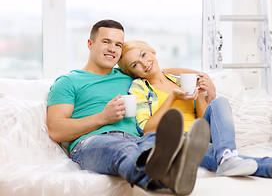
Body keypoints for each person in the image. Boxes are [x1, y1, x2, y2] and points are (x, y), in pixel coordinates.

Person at [118, 39, 272, 184]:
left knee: (219, 103)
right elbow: (146, 129)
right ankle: (270, 165)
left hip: (202, 134)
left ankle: (227, 157)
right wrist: (172, 98)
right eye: (135, 64)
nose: (144, 63)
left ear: (152, 52)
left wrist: (200, 94)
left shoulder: (179, 80)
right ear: (132, 72)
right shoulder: (140, 88)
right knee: (190, 142)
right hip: (178, 140)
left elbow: (204, 121)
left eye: (144, 55)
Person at [46, 19, 211, 195]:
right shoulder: (69, 82)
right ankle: (164, 179)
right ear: (90, 44)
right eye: (106, 42)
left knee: (161, 142)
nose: (112, 49)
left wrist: (203, 77)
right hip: (93, 142)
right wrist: (103, 117)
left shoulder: (129, 77)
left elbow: (159, 71)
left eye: (118, 44)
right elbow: (56, 130)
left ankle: (231, 163)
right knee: (125, 150)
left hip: (137, 140)